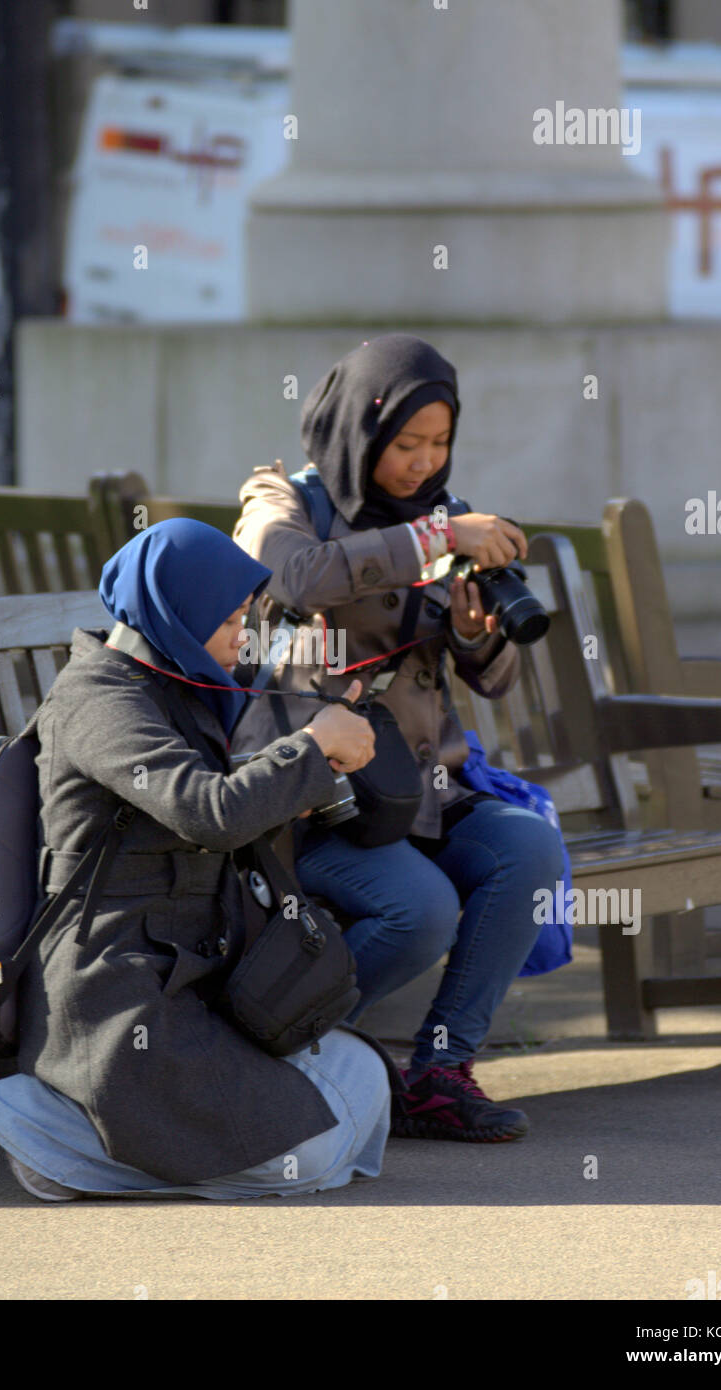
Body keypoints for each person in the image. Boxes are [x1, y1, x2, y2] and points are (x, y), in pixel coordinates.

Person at [0, 518, 394, 1202]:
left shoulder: (169, 684)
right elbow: (205, 811)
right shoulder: (101, 698)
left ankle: (107, 1146)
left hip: (192, 976)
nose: (241, 637)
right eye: (227, 620)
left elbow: (195, 808)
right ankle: (44, 1133)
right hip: (117, 991)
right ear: (174, 612)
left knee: (363, 1080)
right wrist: (309, 749)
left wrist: (288, 782)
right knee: (312, 1158)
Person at [232, 334, 566, 1144]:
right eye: (404, 445)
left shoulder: (443, 515)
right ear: (360, 430)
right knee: (420, 911)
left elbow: (490, 682)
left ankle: (439, 1074)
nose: (423, 465)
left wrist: (474, 632)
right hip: (315, 802)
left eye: (439, 444)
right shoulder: (281, 497)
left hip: (419, 790)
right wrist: (432, 542)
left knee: (527, 851)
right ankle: (259, 1047)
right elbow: (293, 574)